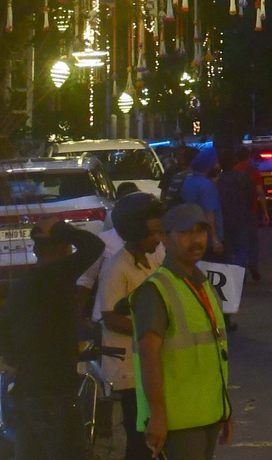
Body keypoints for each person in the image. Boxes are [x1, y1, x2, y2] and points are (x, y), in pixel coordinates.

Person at [0, 216, 105, 460]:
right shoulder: (57, 275)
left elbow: (0, 331)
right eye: (66, 246)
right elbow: (94, 246)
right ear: (61, 248)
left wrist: (18, 360)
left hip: (27, 390)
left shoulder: (26, 282)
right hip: (54, 391)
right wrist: (61, 228)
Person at [133, 204, 232, 458]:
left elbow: (214, 353)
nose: (197, 239)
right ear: (164, 238)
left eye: (201, 231)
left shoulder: (202, 284)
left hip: (207, 416)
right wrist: (158, 415)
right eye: (186, 232)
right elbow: (149, 356)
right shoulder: (155, 290)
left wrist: (224, 409)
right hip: (178, 425)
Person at [97, 195, 166, 460]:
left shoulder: (155, 258)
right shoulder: (117, 269)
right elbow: (111, 317)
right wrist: (150, 331)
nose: (158, 238)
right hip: (128, 372)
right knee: (139, 442)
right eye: (153, 233)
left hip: (148, 365)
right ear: (135, 233)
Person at [217, 144, 268, 284]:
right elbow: (253, 196)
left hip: (225, 219)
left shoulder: (219, 180)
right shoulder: (245, 177)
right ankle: (240, 271)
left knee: (228, 249)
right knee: (242, 247)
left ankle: (232, 274)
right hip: (242, 217)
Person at [180, 149, 226, 258]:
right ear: (208, 166)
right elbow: (209, 213)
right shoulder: (206, 185)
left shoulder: (188, 181)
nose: (218, 166)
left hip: (193, 234)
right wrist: (215, 238)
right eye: (216, 163)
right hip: (208, 239)